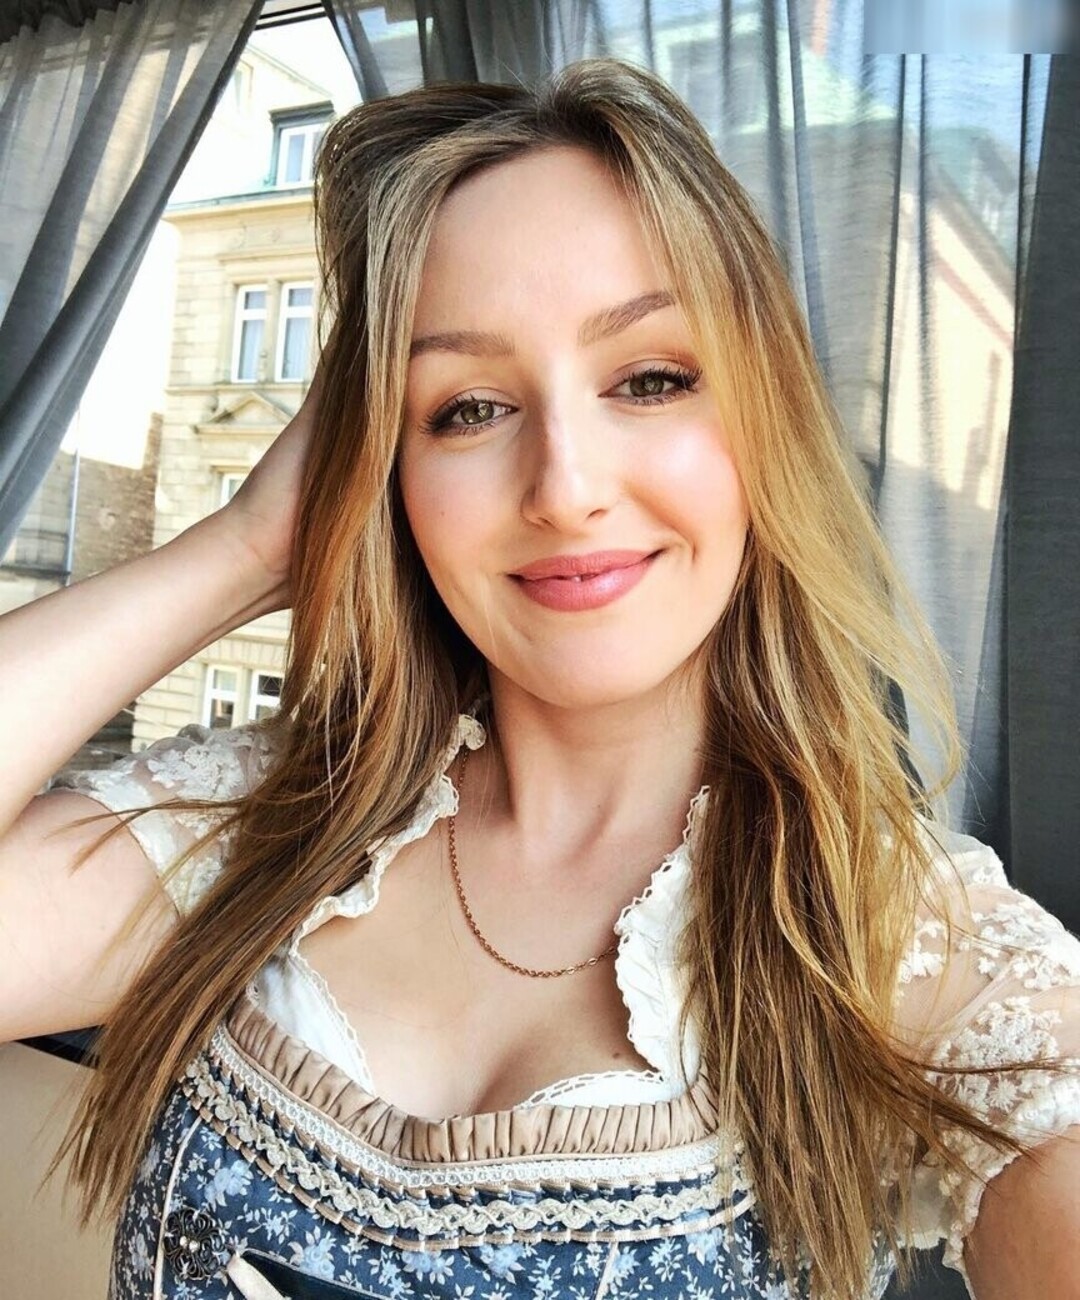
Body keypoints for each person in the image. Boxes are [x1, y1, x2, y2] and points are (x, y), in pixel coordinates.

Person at [0, 58, 1077, 1300]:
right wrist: (247, 547)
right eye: (466, 407)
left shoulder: (907, 938)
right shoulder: (270, 822)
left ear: (765, 421)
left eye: (651, 378)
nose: (564, 487)